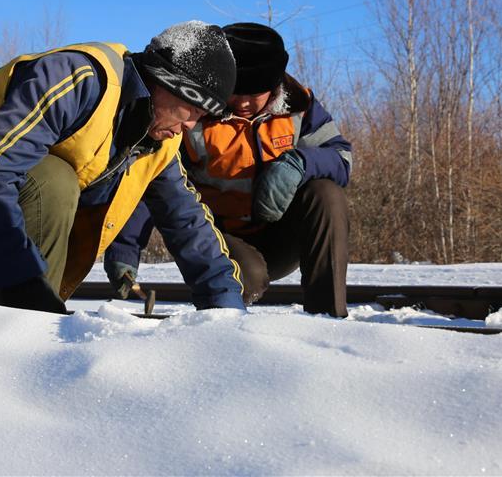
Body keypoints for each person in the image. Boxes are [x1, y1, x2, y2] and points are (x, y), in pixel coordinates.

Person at [0, 21, 246, 313]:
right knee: (52, 183)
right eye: (193, 112)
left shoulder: (158, 140)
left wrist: (225, 307)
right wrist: (25, 287)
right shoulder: (82, 79)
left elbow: (187, 221)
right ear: (167, 83)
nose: (190, 128)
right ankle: (24, 321)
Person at [104, 23, 352, 317]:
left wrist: (301, 162)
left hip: (282, 236)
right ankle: (228, 330)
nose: (244, 102)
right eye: (237, 93)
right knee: (241, 282)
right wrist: (125, 247)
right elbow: (156, 178)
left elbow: (340, 157)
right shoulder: (194, 115)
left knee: (327, 193)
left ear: (274, 86)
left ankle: (328, 316)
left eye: (255, 94)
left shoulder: (300, 106)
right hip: (225, 241)